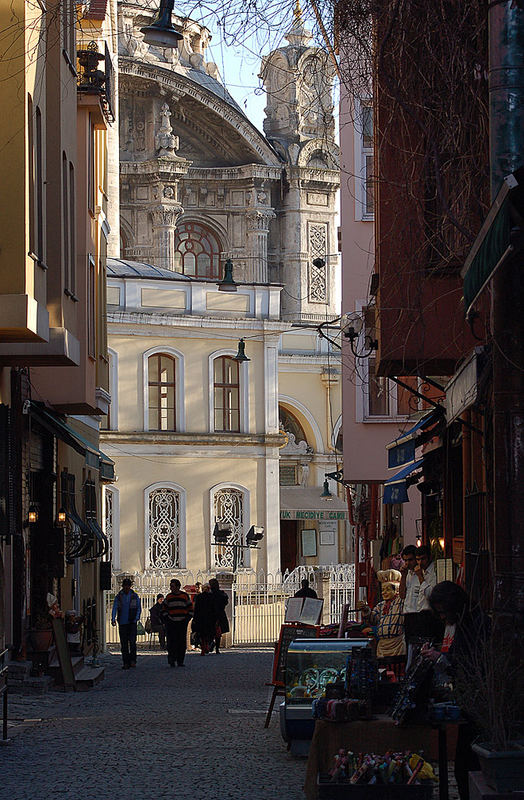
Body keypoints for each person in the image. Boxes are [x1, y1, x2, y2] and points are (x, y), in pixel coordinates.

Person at [421, 581, 488, 800]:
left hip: (479, 704)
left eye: (442, 612)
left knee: (468, 763)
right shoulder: (462, 623)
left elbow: (470, 662)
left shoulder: (474, 624)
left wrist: (441, 658)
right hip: (470, 702)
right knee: (463, 763)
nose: (441, 617)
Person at [356, 569, 405, 658]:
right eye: (382, 590)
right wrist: (365, 609)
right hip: (382, 645)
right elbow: (374, 619)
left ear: (397, 590)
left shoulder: (401, 602)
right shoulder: (381, 605)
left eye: (387, 589)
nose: (384, 592)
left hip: (397, 644)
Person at [111, 578, 142, 669]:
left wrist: (136, 618)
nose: (127, 588)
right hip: (122, 622)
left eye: (128, 586)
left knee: (132, 643)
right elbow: (115, 607)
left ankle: (133, 660)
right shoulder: (119, 596)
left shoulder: (134, 596)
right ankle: (126, 662)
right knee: (124, 644)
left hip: (132, 622)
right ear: (123, 586)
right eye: (125, 586)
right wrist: (113, 618)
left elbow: (138, 608)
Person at [162, 579, 193, 666]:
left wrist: (186, 619)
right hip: (171, 622)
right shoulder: (168, 597)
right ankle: (172, 659)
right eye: (171, 586)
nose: (171, 588)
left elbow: (190, 609)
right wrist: (168, 619)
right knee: (172, 642)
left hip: (182, 622)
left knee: (181, 642)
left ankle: (180, 660)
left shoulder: (185, 596)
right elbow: (164, 610)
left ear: (178, 587)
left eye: (173, 586)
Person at [399, 545, 420, 665]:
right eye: (405, 560)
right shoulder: (407, 575)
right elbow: (402, 595)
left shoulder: (422, 574)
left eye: (410, 560)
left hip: (418, 614)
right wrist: (403, 576)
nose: (407, 563)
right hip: (408, 616)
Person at [415, 544, 442, 639]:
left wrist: (420, 578)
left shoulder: (434, 572)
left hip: (431, 615)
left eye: (423, 559)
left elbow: (430, 594)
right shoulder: (420, 571)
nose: (420, 563)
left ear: (429, 557)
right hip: (420, 614)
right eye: (418, 559)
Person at [191, 583, 216, 655]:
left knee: (202, 634)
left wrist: (195, 617)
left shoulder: (199, 597)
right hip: (209, 618)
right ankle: (206, 646)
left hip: (201, 618)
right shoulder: (211, 596)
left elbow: (196, 608)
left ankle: (203, 648)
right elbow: (214, 608)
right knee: (208, 634)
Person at [209, 577, 229, 654]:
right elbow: (226, 602)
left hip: (213, 614)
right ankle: (217, 648)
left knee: (214, 631)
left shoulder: (211, 594)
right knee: (218, 632)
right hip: (220, 613)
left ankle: (213, 645)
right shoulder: (221, 594)